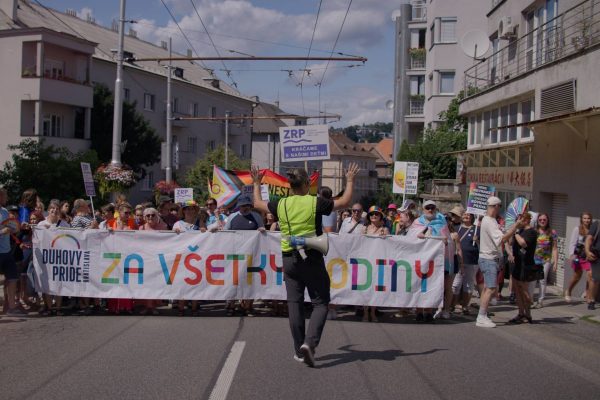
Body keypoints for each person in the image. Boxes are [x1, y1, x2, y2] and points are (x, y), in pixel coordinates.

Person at [251, 162, 359, 368]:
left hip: (289, 259)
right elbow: (345, 201)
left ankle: (299, 349)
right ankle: (310, 343)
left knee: (295, 304)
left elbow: (257, 203)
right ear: (307, 183)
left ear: (289, 185)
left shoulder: (280, 204)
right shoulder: (315, 202)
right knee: (320, 302)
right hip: (312, 256)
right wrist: (350, 180)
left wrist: (257, 183)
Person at [476, 196, 523, 328]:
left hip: (490, 258)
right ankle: (481, 316)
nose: (499, 209)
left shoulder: (489, 220)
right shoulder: (489, 221)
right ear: (496, 206)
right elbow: (502, 239)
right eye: (499, 206)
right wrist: (515, 226)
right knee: (490, 289)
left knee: (487, 288)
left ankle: (483, 315)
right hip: (489, 259)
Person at [223, 195, 266, 317]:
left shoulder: (256, 217)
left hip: (251, 254)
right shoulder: (232, 217)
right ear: (239, 206)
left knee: (250, 280)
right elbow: (225, 234)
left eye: (247, 205)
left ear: (250, 206)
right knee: (233, 280)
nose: (244, 208)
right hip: (234, 254)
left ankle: (248, 307)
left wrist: (262, 230)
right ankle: (230, 305)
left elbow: (262, 230)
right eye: (242, 205)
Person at [411, 200, 452, 322]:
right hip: (419, 260)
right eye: (427, 208)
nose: (430, 210)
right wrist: (418, 236)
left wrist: (445, 242)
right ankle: (419, 311)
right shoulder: (417, 223)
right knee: (419, 286)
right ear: (423, 209)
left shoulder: (441, 223)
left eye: (432, 208)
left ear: (435, 209)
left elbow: (448, 241)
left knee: (431, 286)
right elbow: (410, 239)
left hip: (434, 262)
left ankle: (429, 311)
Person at [36, 200, 71, 316]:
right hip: (46, 259)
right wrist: (43, 231)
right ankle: (49, 307)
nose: (54, 210)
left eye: (56, 208)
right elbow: (36, 240)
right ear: (48, 210)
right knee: (47, 282)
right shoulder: (41, 224)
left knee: (59, 282)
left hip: (60, 258)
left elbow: (71, 238)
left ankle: (58, 308)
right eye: (52, 208)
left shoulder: (65, 224)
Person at [173, 200, 205, 316]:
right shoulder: (178, 224)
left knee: (195, 283)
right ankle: (181, 308)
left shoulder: (199, 222)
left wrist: (203, 231)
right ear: (184, 211)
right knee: (183, 283)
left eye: (191, 208)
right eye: (187, 209)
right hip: (182, 258)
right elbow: (172, 240)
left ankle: (194, 308)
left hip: (196, 257)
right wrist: (174, 232)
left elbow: (205, 238)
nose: (189, 211)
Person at [106, 202, 137, 315]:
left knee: (127, 282)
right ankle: (114, 307)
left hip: (127, 256)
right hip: (114, 256)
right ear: (119, 212)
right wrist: (106, 231)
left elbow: (139, 236)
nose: (128, 215)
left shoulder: (133, 223)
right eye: (126, 213)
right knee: (114, 281)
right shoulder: (110, 222)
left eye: (130, 213)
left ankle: (127, 306)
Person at [507, 213, 538, 324]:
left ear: (527, 220)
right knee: (518, 290)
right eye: (517, 220)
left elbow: (523, 243)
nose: (518, 222)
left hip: (526, 265)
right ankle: (521, 313)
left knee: (524, 290)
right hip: (517, 263)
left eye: (520, 220)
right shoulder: (519, 231)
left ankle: (528, 314)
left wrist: (515, 232)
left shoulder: (532, 232)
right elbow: (510, 242)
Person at [362, 206, 390, 322]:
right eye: (372, 214)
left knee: (375, 289)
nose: (374, 216)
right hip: (365, 262)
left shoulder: (385, 230)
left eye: (377, 214)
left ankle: (373, 312)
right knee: (364, 289)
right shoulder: (364, 229)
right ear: (369, 216)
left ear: (380, 217)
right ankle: (365, 313)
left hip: (379, 262)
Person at [451, 212, 479, 315]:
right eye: (465, 215)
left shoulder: (477, 229)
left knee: (469, 284)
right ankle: (452, 305)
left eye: (469, 215)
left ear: (472, 217)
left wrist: (477, 240)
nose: (466, 216)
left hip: (472, 260)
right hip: (458, 260)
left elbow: (483, 244)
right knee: (456, 284)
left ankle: (465, 306)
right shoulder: (456, 228)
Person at [530, 213, 558, 308]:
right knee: (532, 280)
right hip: (534, 259)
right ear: (537, 221)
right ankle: (530, 300)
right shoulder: (534, 231)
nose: (542, 221)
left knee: (542, 280)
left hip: (545, 260)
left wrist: (555, 263)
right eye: (540, 220)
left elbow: (554, 248)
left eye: (544, 220)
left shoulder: (552, 232)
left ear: (547, 221)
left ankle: (540, 301)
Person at [565, 212, 593, 302]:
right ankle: (568, 290)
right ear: (581, 219)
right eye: (584, 218)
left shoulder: (593, 229)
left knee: (590, 274)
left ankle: (588, 295)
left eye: (588, 218)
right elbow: (573, 242)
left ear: (590, 219)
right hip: (578, 255)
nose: (586, 220)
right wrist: (571, 255)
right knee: (577, 275)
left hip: (588, 256)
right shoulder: (577, 229)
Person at [585, 218, 600, 310]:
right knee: (595, 278)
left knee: (597, 279)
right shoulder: (597, 224)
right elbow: (589, 238)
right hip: (596, 255)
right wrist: (587, 251)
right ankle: (591, 300)